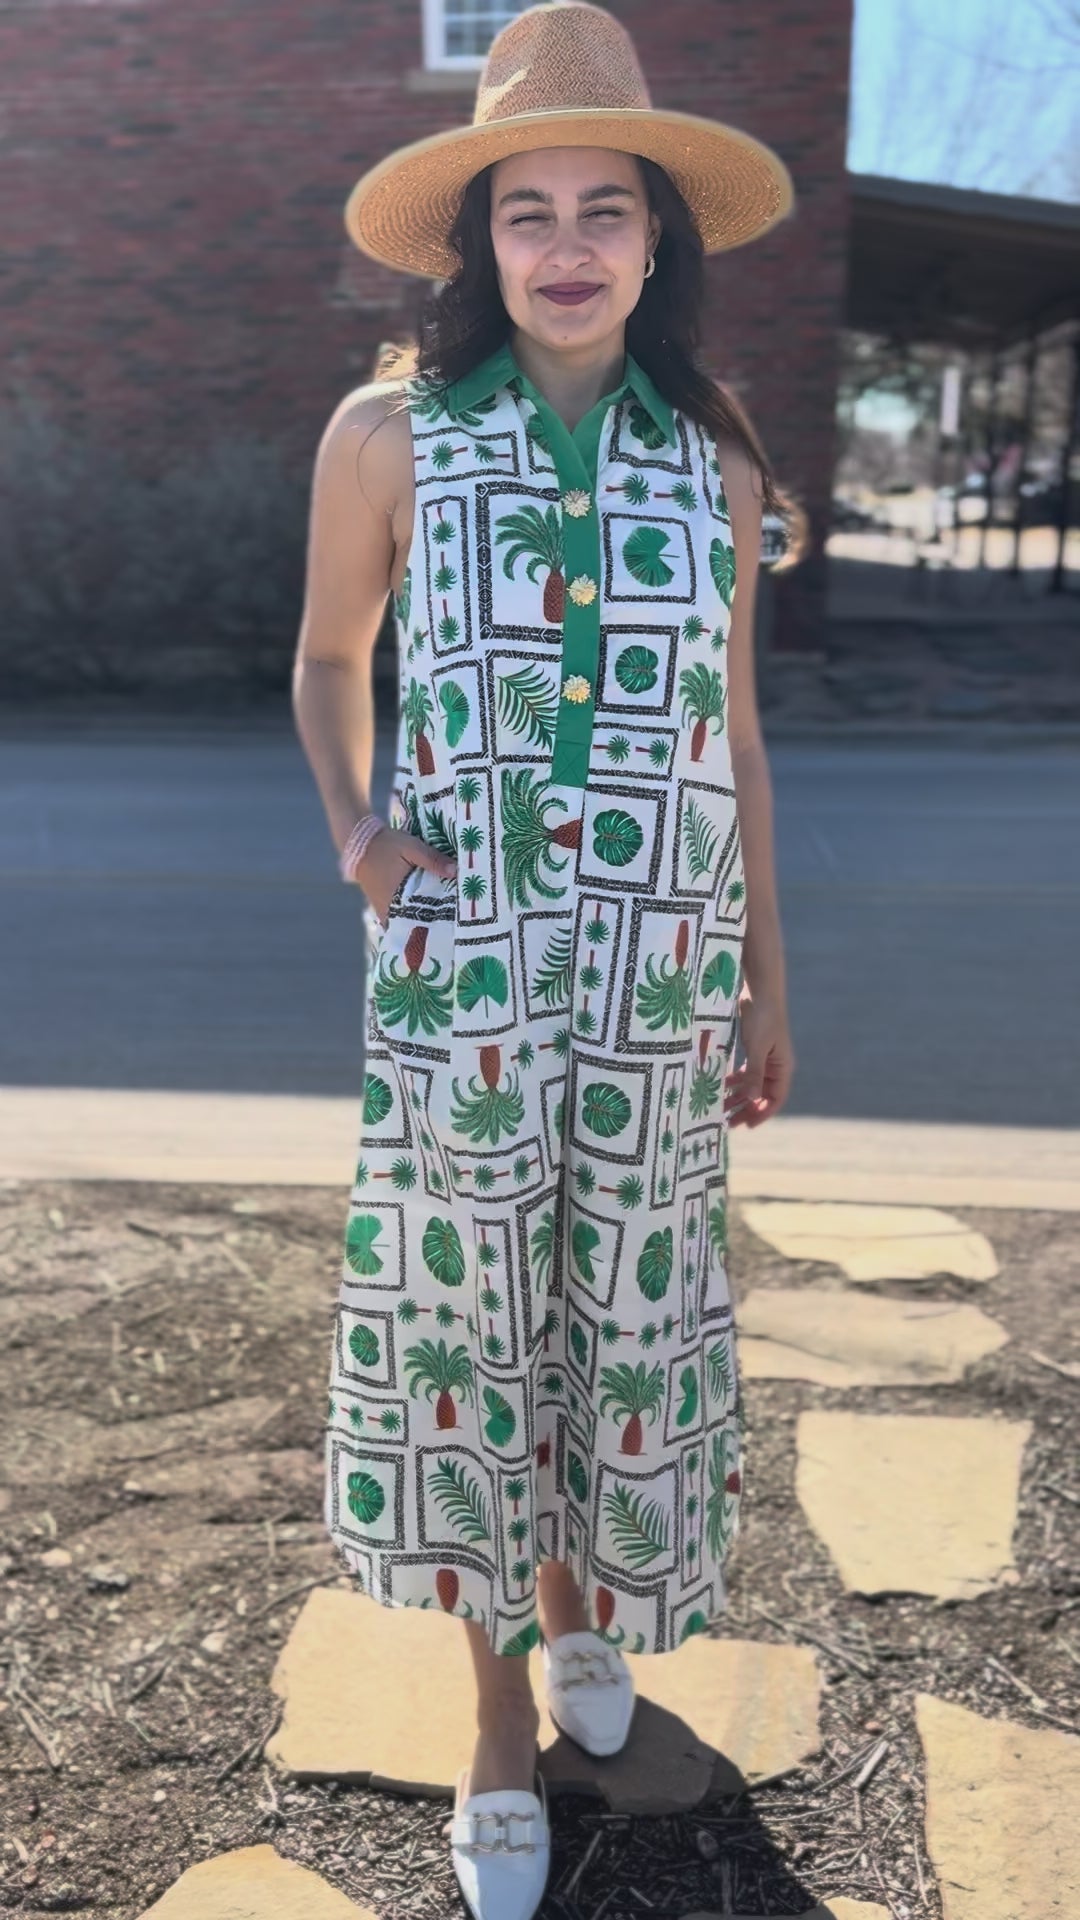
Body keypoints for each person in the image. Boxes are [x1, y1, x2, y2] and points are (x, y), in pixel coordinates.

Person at [293, 7, 800, 1915]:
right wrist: (362, 839)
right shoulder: (388, 438)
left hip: (660, 979)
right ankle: (497, 1723)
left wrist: (765, 977)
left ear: (657, 241)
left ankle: (585, 1615)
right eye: (529, 211)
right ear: (479, 241)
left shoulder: (713, 457)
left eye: (606, 209)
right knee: (476, 1331)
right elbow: (328, 658)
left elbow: (731, 733)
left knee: (608, 1315)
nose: (567, 245)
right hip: (467, 980)